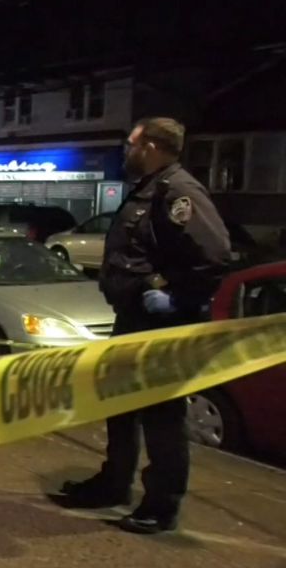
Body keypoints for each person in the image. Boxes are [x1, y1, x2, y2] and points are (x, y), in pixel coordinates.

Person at [59, 117, 231, 534]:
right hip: (132, 319)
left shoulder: (179, 192)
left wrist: (174, 295)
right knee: (117, 405)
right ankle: (113, 484)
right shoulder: (148, 189)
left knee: (161, 416)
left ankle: (161, 504)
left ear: (152, 146)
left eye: (131, 143)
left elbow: (216, 257)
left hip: (160, 325)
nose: (126, 150)